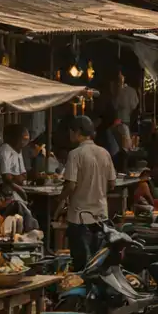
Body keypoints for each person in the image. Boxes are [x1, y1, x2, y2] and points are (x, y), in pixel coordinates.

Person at [62, 116, 113, 271]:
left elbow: (71, 185)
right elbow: (112, 183)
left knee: (81, 264)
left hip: (80, 217)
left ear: (77, 132)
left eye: (71, 132)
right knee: (98, 263)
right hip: (101, 215)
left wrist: (60, 199)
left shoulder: (75, 154)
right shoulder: (104, 153)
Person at [0, 123, 31, 193]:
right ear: (14, 138)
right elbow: (6, 178)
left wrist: (15, 177)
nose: (25, 141)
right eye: (24, 138)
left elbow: (24, 175)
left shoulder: (18, 151)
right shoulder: (4, 151)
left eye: (27, 139)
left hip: (10, 188)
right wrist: (16, 178)